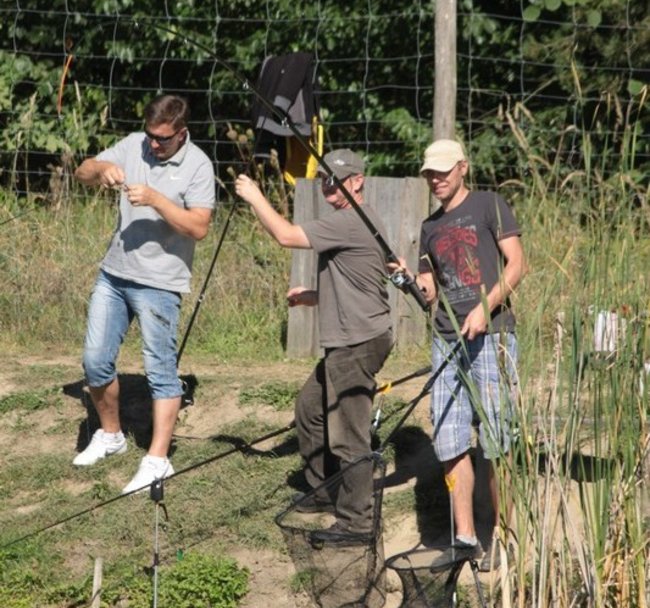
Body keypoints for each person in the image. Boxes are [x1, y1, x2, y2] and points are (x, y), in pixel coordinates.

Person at [235, 149, 393, 541]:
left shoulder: (348, 220)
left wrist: (256, 196)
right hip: (358, 335)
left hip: (356, 343)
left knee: (348, 432)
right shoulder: (361, 220)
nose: (328, 185)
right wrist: (313, 295)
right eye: (323, 179)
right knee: (310, 408)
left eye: (336, 179)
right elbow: (360, 283)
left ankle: (356, 521)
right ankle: (325, 490)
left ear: (357, 181)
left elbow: (286, 236)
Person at [73, 94, 215, 495]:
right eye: (151, 136)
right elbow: (82, 171)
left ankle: (157, 460)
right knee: (95, 359)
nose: (154, 145)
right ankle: (111, 434)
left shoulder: (199, 166)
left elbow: (199, 227)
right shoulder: (133, 143)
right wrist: (102, 169)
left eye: (163, 139)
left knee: (160, 371)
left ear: (181, 133)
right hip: (114, 274)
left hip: (161, 282)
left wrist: (156, 199)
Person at [414, 139, 525, 571]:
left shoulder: (488, 205)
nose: (436, 179)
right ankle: (464, 537)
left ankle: (506, 536)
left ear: (463, 167)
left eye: (443, 170)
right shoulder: (428, 226)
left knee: (499, 439)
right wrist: (413, 283)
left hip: (492, 335)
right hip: (446, 339)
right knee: (450, 438)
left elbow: (517, 265)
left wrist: (486, 306)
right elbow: (429, 287)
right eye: (430, 173)